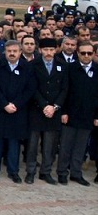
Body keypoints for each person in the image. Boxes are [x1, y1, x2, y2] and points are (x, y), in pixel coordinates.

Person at [0, 40, 36, 184]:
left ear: (20, 52)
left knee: (14, 144)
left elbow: (30, 89)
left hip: (18, 112)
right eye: (9, 51)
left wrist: (16, 104)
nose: (12, 53)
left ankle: (13, 171)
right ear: (5, 52)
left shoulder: (27, 67)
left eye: (15, 51)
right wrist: (4, 104)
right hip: (0, 111)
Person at [26, 38, 68, 185]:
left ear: (56, 50)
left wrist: (54, 106)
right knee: (32, 144)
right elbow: (32, 88)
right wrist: (44, 105)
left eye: (51, 50)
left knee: (49, 145)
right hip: (37, 110)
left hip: (54, 111)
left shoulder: (62, 65)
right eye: (46, 50)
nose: (49, 53)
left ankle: (46, 172)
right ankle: (30, 171)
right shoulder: (32, 65)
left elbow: (64, 89)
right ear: (40, 50)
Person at [57, 41, 97, 186]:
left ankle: (76, 173)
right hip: (71, 114)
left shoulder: (97, 69)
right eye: (83, 53)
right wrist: (64, 112)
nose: (86, 56)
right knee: (66, 146)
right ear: (78, 54)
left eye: (89, 53)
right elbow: (65, 91)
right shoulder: (70, 68)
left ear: (93, 54)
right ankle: (62, 172)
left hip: (88, 115)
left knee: (81, 147)